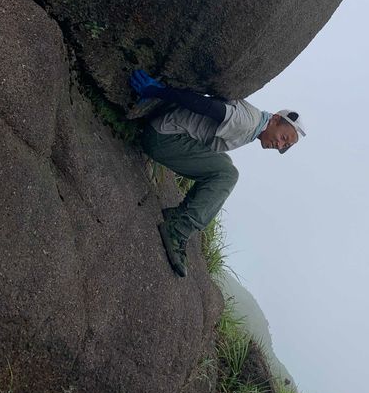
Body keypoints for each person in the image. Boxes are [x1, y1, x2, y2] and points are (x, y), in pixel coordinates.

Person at [129, 69, 306, 277]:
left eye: (285, 146)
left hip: (168, 134)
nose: (279, 145)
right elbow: (207, 106)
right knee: (228, 174)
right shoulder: (248, 122)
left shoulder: (254, 126)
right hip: (162, 138)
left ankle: (179, 216)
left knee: (225, 163)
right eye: (284, 137)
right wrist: (158, 91)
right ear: (275, 120)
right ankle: (177, 230)